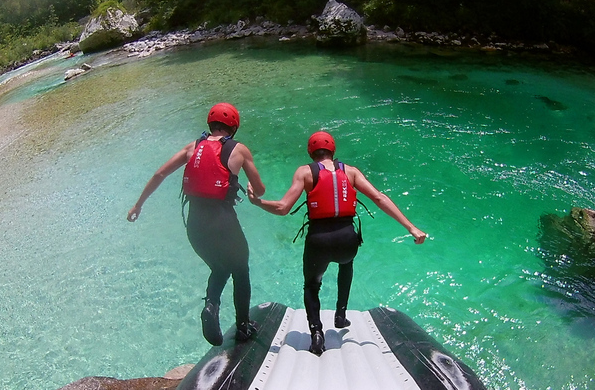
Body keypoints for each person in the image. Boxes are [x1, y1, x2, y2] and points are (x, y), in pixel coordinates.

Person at [249, 131, 426, 355]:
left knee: (312, 287)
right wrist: (411, 227)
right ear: (333, 151)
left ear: (310, 152)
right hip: (346, 240)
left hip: (318, 241)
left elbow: (283, 208)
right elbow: (379, 198)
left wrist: (258, 202)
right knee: (347, 263)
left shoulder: (305, 172)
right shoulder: (350, 172)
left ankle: (316, 333)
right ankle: (341, 315)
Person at [127, 103, 266, 346]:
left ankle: (211, 304)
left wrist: (138, 205)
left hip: (195, 225)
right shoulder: (239, 150)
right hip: (223, 223)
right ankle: (243, 326)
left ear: (209, 124)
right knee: (240, 271)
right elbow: (260, 188)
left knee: (220, 267)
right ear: (234, 127)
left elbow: (160, 174)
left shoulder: (193, 147)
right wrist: (255, 191)